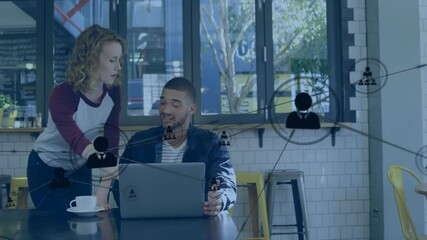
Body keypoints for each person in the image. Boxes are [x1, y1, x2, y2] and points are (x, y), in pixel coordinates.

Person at [27, 24, 126, 210]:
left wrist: (103, 191)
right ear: (91, 60)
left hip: (79, 167)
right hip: (47, 167)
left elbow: (111, 137)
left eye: (119, 60)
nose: (118, 67)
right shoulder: (62, 94)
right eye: (113, 60)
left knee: (83, 227)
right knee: (56, 228)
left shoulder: (113, 92)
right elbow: (75, 138)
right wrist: (110, 168)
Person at [118, 77, 236, 216]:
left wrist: (219, 199)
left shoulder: (211, 143)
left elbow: (225, 181)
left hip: (197, 224)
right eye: (162, 103)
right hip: (148, 222)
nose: (166, 110)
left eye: (175, 105)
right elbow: (119, 185)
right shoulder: (139, 142)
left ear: (192, 109)